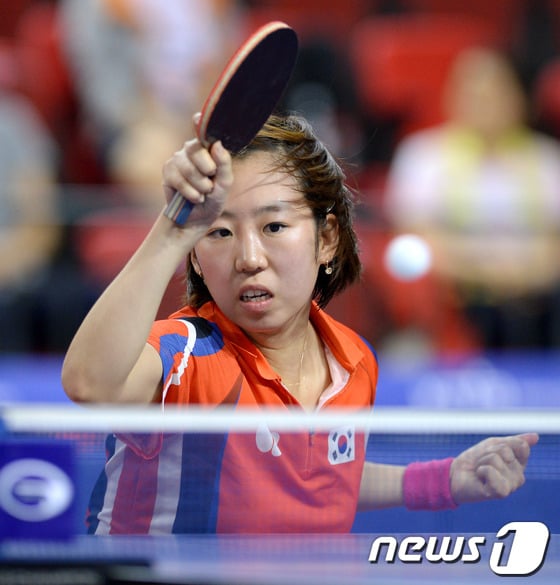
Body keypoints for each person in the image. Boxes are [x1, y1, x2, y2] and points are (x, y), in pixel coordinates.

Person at [62, 113, 537, 534]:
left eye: (273, 227)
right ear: (197, 259)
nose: (249, 258)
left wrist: (444, 479)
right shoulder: (183, 354)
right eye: (219, 232)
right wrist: (172, 230)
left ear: (327, 239)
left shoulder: (353, 361)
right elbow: (89, 383)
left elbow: (319, 476)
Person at [385, 46, 560, 349]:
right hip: (452, 304)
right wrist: (490, 272)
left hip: (539, 303)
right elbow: (416, 243)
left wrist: (521, 275)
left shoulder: (548, 161)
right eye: (471, 92)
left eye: (493, 92)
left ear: (520, 98)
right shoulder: (423, 156)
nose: (482, 103)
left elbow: (554, 247)